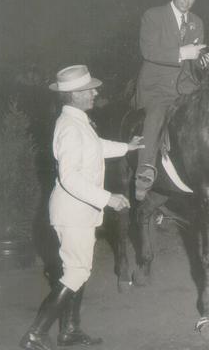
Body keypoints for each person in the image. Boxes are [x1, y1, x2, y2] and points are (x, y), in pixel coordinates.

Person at [20, 65, 143, 350]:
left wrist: (128, 147)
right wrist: (107, 198)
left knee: (79, 270)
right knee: (76, 272)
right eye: (90, 90)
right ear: (74, 95)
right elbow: (70, 177)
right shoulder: (70, 128)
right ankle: (35, 334)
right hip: (72, 213)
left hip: (78, 213)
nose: (95, 92)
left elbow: (97, 146)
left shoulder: (77, 122)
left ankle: (70, 330)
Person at [134, 0, 208, 201]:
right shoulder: (153, 16)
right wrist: (182, 53)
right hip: (157, 88)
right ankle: (144, 171)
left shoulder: (197, 22)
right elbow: (149, 51)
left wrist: (202, 60)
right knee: (156, 115)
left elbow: (195, 58)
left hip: (187, 88)